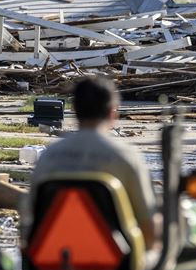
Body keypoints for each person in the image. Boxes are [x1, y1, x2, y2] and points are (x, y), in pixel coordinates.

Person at [29, 76, 159, 248]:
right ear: (114, 112)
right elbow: (148, 229)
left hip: (54, 262)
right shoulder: (126, 156)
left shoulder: (49, 156)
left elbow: (30, 221)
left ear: (74, 110)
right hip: (117, 267)